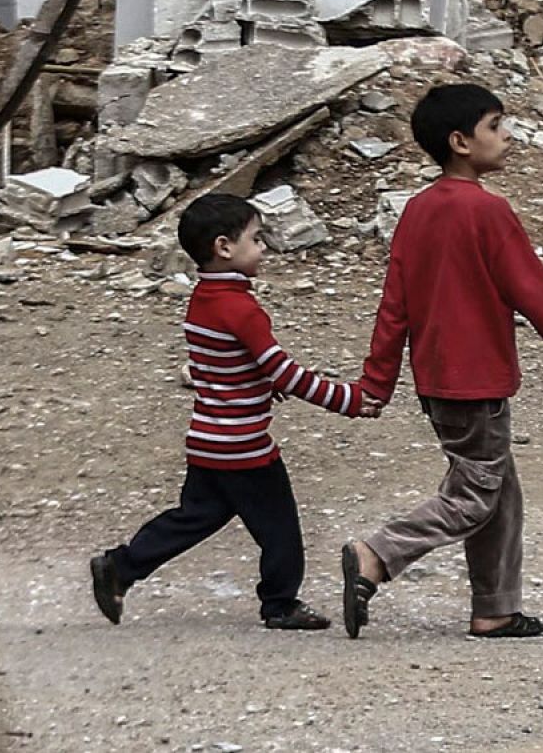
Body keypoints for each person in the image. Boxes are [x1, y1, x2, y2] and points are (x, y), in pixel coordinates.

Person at [341, 83, 543, 640]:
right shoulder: (489, 212)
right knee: (474, 496)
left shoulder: (418, 210)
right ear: (460, 141)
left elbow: (393, 304)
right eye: (496, 125)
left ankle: (494, 609)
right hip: (476, 384)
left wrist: (378, 381)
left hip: (436, 380)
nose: (507, 135)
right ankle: (375, 554)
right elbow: (542, 300)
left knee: (500, 494)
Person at [90, 193, 378, 630]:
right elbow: (284, 371)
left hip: (208, 438)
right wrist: (350, 401)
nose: (262, 248)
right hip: (244, 447)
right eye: (256, 239)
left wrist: (258, 383)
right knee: (280, 529)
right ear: (224, 247)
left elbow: (225, 364)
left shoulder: (202, 301)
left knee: (193, 518)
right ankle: (280, 604)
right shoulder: (242, 309)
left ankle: (122, 566)